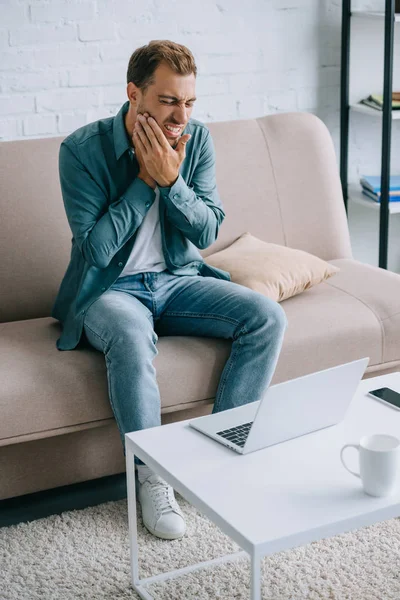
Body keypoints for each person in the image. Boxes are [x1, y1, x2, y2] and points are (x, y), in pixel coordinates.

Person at [52, 40, 288, 541]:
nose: (181, 115)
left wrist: (173, 182)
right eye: (167, 101)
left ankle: (223, 453)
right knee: (132, 339)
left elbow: (207, 232)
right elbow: (95, 250)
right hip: (109, 290)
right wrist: (144, 180)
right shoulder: (81, 150)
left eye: (189, 102)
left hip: (179, 280)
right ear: (133, 93)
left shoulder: (196, 140)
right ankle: (153, 476)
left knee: (267, 317)